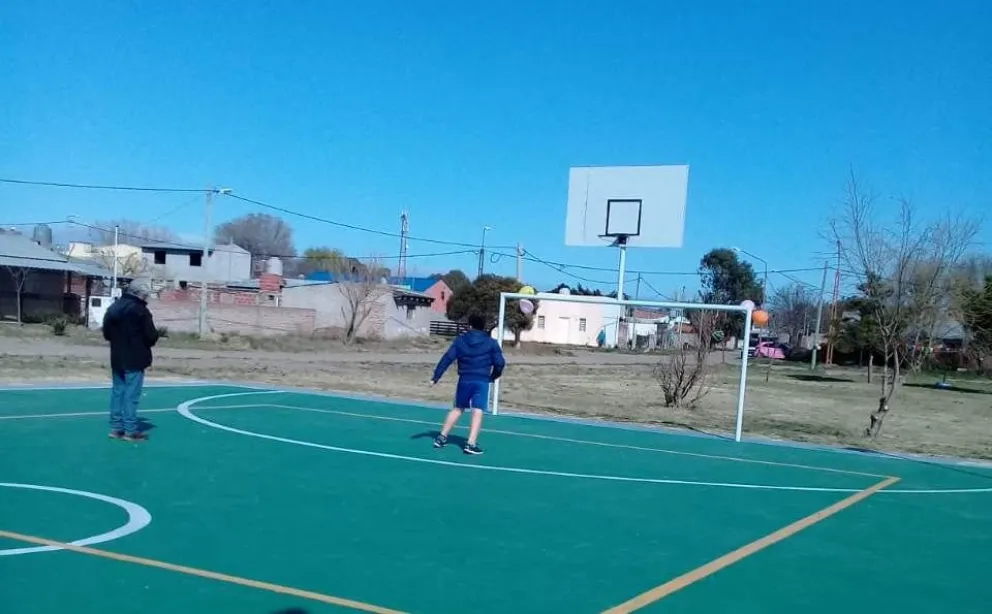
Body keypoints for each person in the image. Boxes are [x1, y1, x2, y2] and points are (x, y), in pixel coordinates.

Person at [429, 313, 506, 455]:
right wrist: (494, 376)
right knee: (477, 410)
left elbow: (447, 358)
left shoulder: (460, 340)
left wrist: (436, 377)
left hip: (464, 379)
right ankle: (470, 443)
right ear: (484, 327)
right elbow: (500, 363)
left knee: (458, 408)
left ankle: (441, 437)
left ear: (469, 326)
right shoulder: (491, 343)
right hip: (481, 380)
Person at [102, 279, 159, 442]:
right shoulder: (140, 311)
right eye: (145, 294)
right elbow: (151, 335)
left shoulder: (113, 308)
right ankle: (130, 430)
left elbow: (106, 333)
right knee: (131, 394)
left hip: (117, 356)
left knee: (118, 391)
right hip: (135, 357)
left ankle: (117, 427)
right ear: (140, 294)